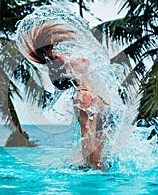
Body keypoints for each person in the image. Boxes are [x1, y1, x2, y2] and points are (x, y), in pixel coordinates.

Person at [17, 22, 109, 171]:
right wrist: (101, 174)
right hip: (94, 172)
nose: (73, 56)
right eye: (67, 58)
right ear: (70, 72)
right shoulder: (84, 98)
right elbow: (87, 143)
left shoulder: (91, 93)